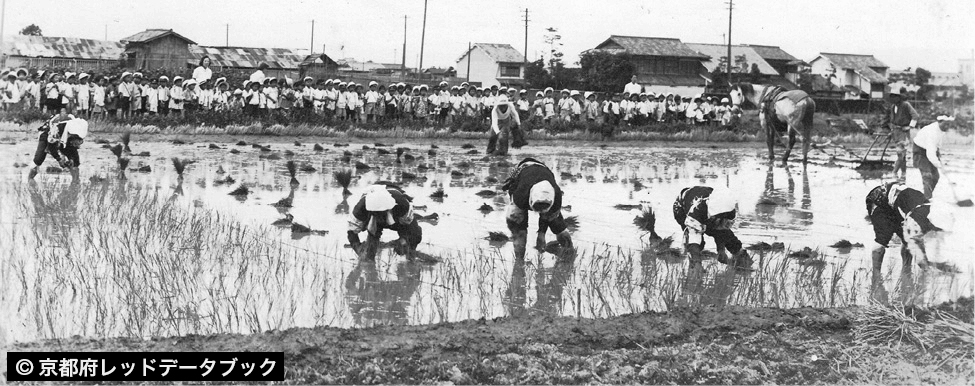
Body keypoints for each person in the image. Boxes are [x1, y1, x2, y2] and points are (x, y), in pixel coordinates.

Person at [865, 181, 941, 298]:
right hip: (879, 201)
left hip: (899, 205)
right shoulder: (913, 215)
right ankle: (875, 277)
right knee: (883, 237)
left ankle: (906, 271)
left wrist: (927, 267)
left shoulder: (924, 207)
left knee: (907, 241)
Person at [500, 158, 573, 261]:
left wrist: (541, 234)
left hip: (542, 170)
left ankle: (569, 254)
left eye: (544, 208)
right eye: (538, 208)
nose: (541, 212)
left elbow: (547, 216)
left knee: (558, 226)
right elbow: (516, 213)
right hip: (524, 172)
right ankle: (519, 262)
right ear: (531, 201)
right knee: (519, 230)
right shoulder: (520, 195)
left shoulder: (556, 196)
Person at [672, 186, 750, 269]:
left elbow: (723, 231)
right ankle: (694, 266)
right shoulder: (696, 212)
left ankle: (743, 259)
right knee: (696, 245)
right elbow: (694, 238)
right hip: (681, 207)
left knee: (729, 237)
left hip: (711, 210)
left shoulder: (728, 210)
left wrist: (721, 250)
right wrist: (696, 262)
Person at [347, 184, 423, 261]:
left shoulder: (402, 204)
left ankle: (410, 258)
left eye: (381, 213)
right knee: (369, 253)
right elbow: (351, 232)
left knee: (414, 237)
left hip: (396, 217)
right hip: (372, 219)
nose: (380, 216)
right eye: (377, 213)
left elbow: (412, 229)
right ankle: (370, 260)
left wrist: (404, 239)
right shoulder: (361, 208)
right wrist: (359, 250)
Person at [28, 111, 88, 179]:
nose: (76, 145)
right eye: (75, 143)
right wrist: (59, 159)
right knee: (39, 158)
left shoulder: (77, 127)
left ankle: (76, 181)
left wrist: (71, 159)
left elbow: (73, 151)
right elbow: (51, 147)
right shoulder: (57, 129)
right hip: (47, 133)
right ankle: (30, 179)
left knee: (75, 160)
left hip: (65, 136)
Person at [912, 115, 953, 199]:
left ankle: (925, 196)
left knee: (936, 176)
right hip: (920, 151)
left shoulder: (941, 130)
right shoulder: (932, 132)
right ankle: (927, 198)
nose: (947, 126)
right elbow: (930, 154)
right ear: (939, 122)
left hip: (929, 150)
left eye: (949, 124)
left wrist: (938, 154)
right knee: (927, 175)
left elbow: (937, 145)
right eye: (945, 124)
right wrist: (939, 165)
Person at [882, 90, 919, 178]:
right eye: (891, 97)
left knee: (900, 153)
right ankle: (903, 173)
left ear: (899, 97)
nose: (893, 98)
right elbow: (893, 121)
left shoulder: (906, 105)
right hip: (896, 132)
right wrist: (891, 131)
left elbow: (915, 116)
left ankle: (894, 172)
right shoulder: (893, 107)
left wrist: (910, 126)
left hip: (903, 133)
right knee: (903, 155)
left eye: (894, 96)